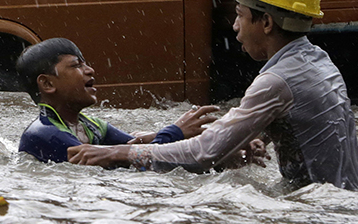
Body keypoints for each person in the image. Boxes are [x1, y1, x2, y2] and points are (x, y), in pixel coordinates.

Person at [68, 0, 358, 191]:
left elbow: (204, 152)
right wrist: (154, 136)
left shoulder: (277, 81)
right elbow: (252, 130)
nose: (235, 26)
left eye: (239, 15)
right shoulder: (317, 61)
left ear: (265, 23)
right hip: (349, 197)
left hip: (324, 212)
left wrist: (118, 153)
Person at [16, 38, 218, 163]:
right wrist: (174, 132)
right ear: (47, 84)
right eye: (76, 65)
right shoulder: (45, 134)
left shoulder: (92, 126)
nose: (90, 70)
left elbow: (130, 146)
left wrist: (194, 136)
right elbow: (133, 162)